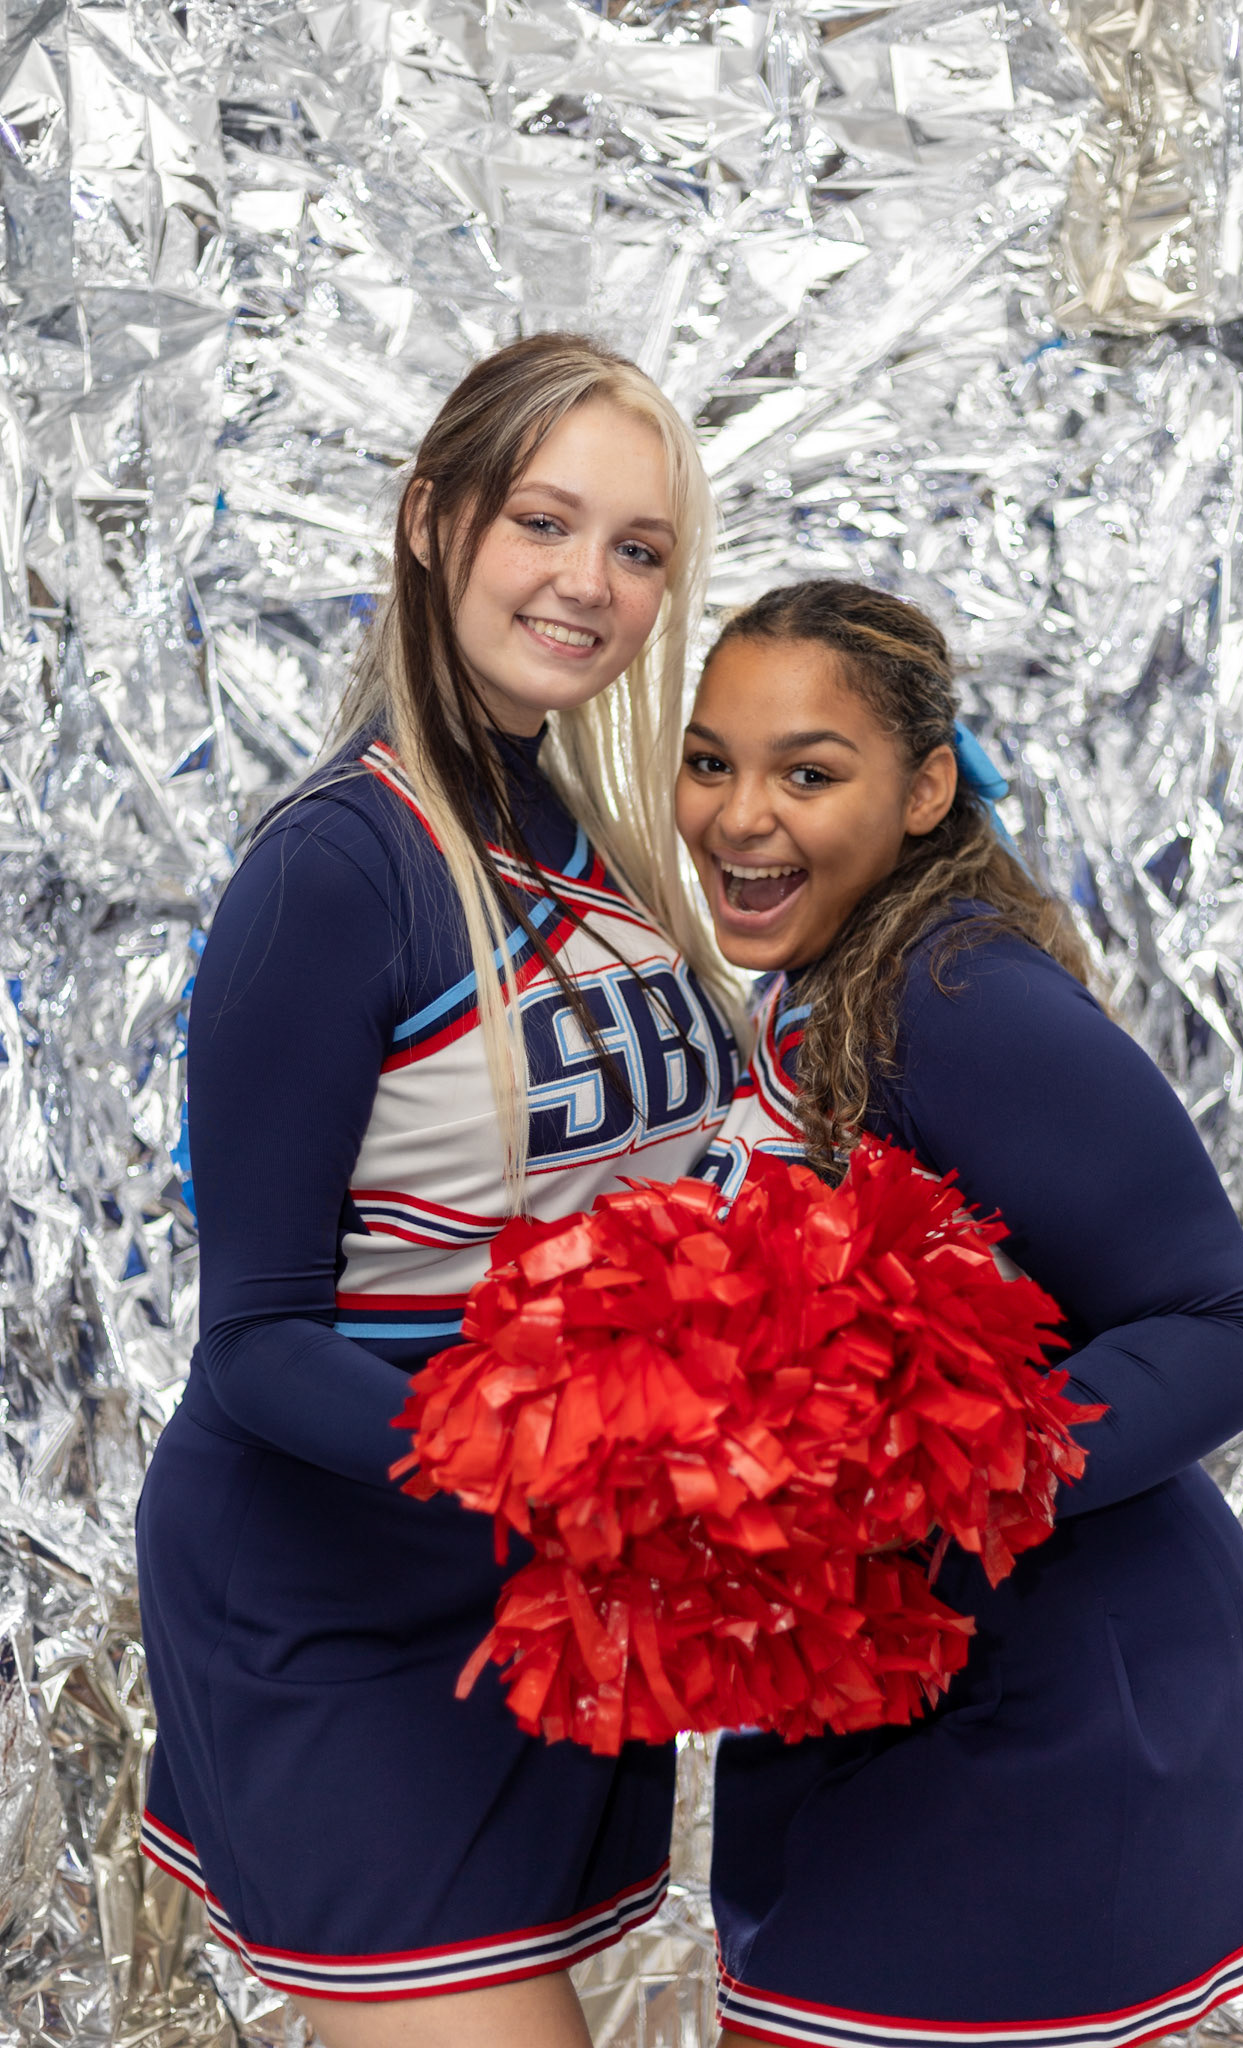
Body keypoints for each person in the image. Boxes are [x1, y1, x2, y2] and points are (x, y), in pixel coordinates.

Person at [136, 333, 739, 2048]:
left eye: (637, 547)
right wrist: (573, 1477)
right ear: (431, 519)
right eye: (543, 521)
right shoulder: (339, 867)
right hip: (342, 1598)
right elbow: (258, 1343)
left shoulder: (583, 832)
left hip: (533, 1602)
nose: (587, 583)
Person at [675, 578, 1243, 2048]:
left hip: (1040, 1711)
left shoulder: (953, 998)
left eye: (807, 774)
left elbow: (1225, 1327)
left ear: (922, 793)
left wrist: (920, 1480)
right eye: (711, 762)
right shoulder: (822, 980)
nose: (740, 816)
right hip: (889, 1692)